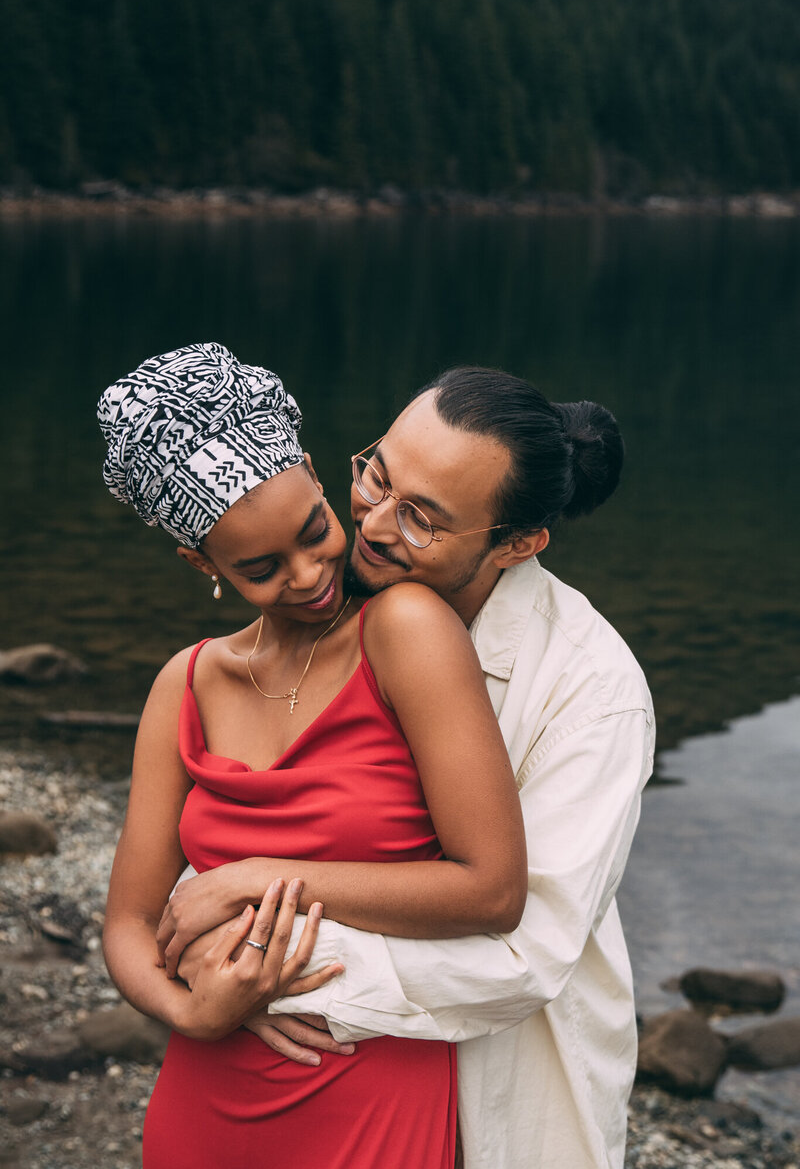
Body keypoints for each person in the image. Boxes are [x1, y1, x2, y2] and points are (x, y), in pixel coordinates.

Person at [159, 366, 656, 1169]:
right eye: (377, 475)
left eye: (421, 517)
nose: (375, 525)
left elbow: (526, 949)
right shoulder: (334, 593)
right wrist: (223, 946)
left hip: (503, 1085)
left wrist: (258, 966)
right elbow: (250, 799)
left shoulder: (593, 695)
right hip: (316, 1083)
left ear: (520, 542)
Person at [98, 345, 527, 1169]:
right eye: (260, 568)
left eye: (314, 531)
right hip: (207, 1094)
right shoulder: (184, 685)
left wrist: (251, 874)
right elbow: (127, 922)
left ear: (317, 477)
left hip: (370, 1082)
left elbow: (492, 888)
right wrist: (192, 1013)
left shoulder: (404, 630)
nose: (309, 576)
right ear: (204, 564)